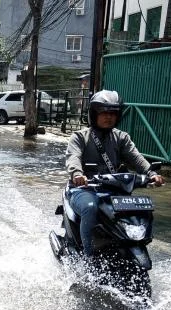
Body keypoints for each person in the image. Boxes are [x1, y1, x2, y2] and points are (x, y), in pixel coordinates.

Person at [64, 89, 165, 258]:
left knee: (140, 210)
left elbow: (136, 158)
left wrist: (151, 173)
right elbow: (73, 157)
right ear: (94, 114)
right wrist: (77, 174)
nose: (108, 117)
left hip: (114, 190)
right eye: (104, 113)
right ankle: (88, 258)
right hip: (84, 189)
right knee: (90, 208)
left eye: (112, 113)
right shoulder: (79, 137)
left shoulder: (122, 138)